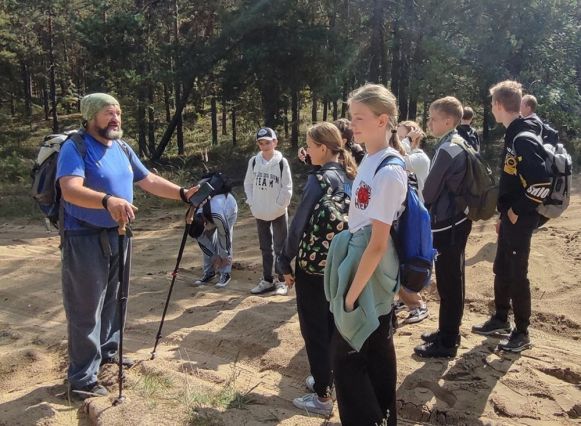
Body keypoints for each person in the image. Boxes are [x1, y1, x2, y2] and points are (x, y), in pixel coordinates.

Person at [56, 93, 199, 399]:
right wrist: (107, 200)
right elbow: (70, 190)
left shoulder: (121, 147)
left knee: (115, 300)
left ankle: (108, 355)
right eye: (109, 113)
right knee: (85, 308)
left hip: (118, 233)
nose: (116, 119)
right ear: (91, 117)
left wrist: (184, 194)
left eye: (118, 113)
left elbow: (147, 180)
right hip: (83, 236)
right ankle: (81, 380)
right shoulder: (75, 147)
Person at [325, 83, 407, 426]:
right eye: (351, 116)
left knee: (349, 358)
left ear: (381, 120)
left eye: (359, 118)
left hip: (370, 276)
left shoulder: (388, 170)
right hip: (363, 269)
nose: (352, 124)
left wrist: (351, 297)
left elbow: (377, 243)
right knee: (372, 354)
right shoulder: (370, 159)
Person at [278, 122, 356, 417]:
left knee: (315, 330)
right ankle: (328, 377)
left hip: (313, 268)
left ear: (323, 148)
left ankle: (322, 396)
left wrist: (284, 260)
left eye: (310, 147)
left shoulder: (319, 180)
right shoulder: (351, 174)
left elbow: (298, 226)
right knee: (335, 325)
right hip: (343, 265)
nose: (307, 152)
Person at [472, 81, 551, 352]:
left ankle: (522, 332)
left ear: (497, 105)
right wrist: (503, 215)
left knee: (518, 274)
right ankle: (500, 319)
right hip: (508, 217)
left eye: (491, 104)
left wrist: (517, 211)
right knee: (502, 268)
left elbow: (541, 184)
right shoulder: (513, 133)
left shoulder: (522, 138)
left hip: (521, 217)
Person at [414, 96, 472, 358]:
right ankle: (447, 331)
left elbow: (428, 191)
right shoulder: (458, 141)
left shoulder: (447, 149)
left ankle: (448, 341)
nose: (429, 123)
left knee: (449, 283)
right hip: (457, 220)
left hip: (448, 225)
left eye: (433, 118)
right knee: (452, 280)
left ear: (448, 121)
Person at [243, 127, 292, 295]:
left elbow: (287, 187)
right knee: (265, 247)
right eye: (261, 143)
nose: (264, 146)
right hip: (260, 211)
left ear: (275, 142)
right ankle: (267, 279)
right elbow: (248, 183)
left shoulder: (281, 162)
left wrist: (280, 205)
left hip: (277, 211)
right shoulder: (254, 161)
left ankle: (282, 280)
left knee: (280, 246)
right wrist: (252, 203)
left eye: (268, 142)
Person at [393, 120, 430, 324]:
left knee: (410, 260)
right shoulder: (410, 154)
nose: (397, 140)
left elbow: (398, 159)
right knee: (398, 259)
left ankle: (418, 304)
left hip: (414, 216)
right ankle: (404, 298)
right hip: (402, 213)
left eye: (401, 136)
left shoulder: (419, 158)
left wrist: (407, 141)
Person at [191, 174, 238, 288]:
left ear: (205, 223)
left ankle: (225, 273)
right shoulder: (193, 219)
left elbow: (224, 235)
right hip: (209, 214)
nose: (204, 233)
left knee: (223, 244)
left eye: (204, 230)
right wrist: (214, 257)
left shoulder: (217, 215)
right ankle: (209, 272)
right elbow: (203, 243)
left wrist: (223, 256)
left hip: (229, 209)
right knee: (208, 244)